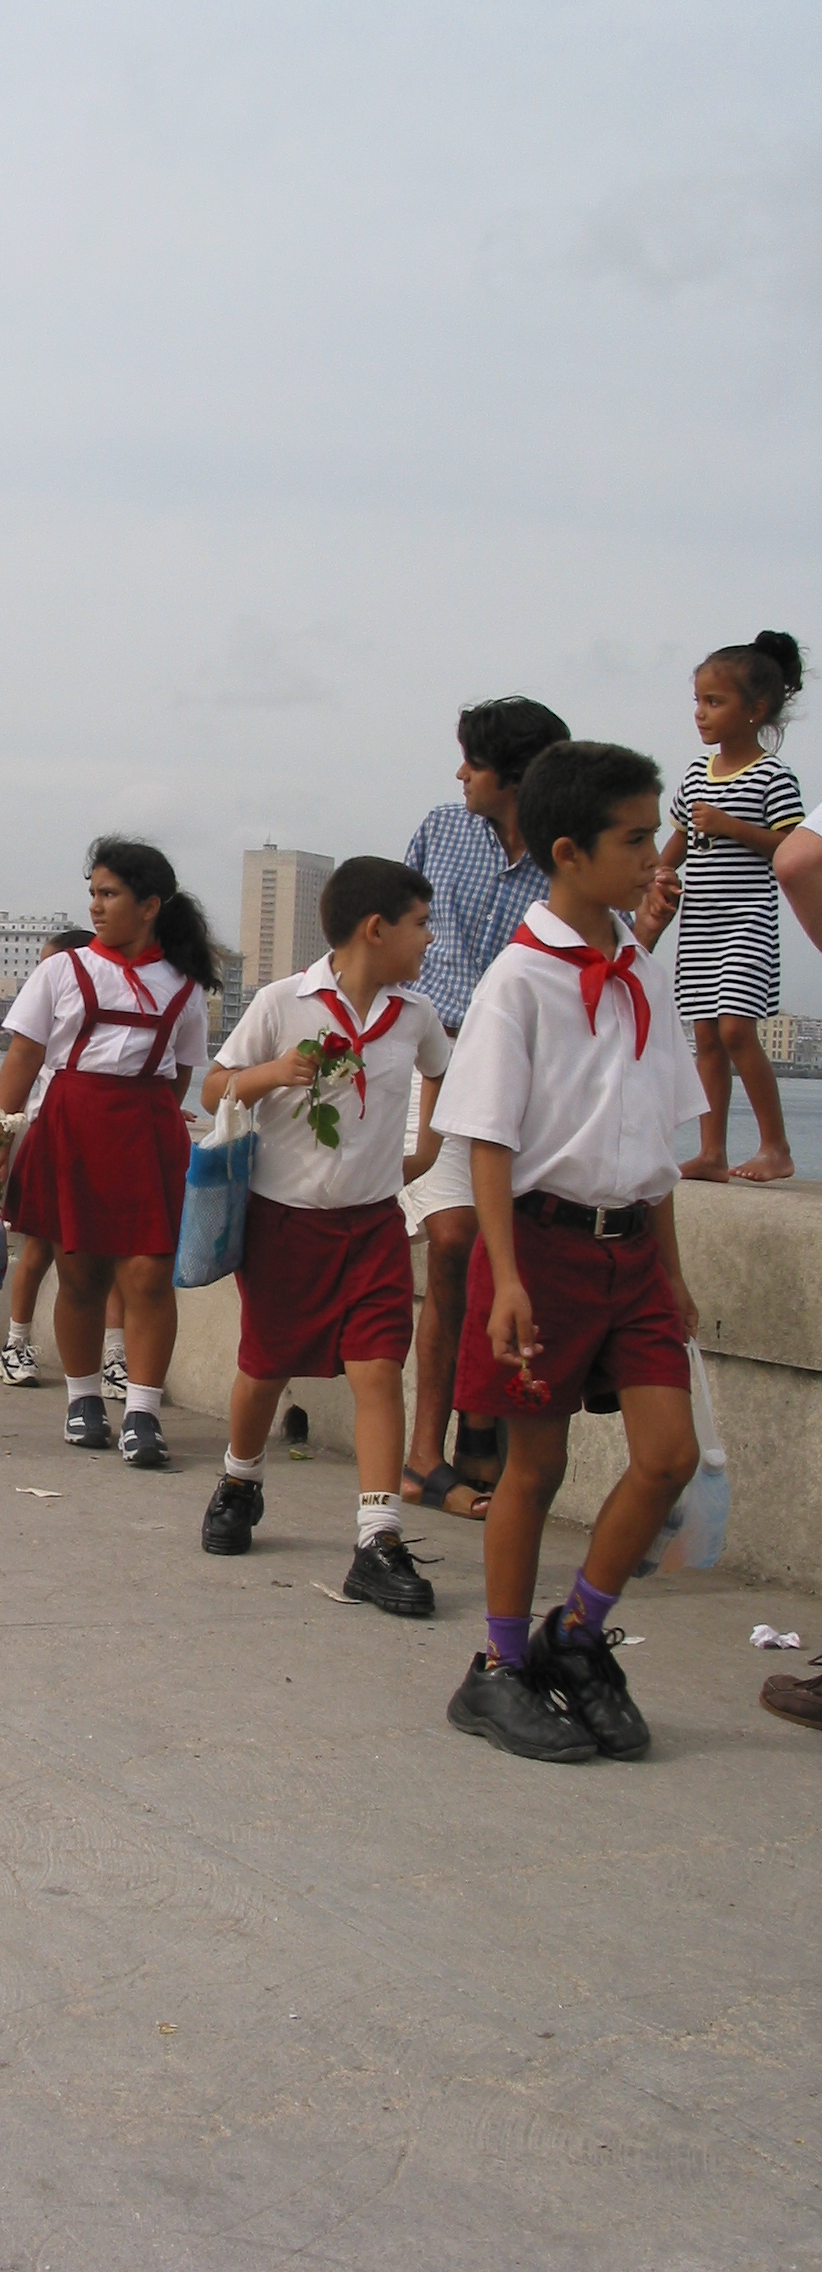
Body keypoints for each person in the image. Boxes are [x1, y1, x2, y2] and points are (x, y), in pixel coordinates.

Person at [435, 741, 705, 1764]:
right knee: (533, 1469)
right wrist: (503, 1280)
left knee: (668, 1455)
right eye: (636, 839)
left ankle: (579, 1634)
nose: (652, 856)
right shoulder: (520, 980)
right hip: (542, 1250)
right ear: (568, 850)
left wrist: (672, 1271)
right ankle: (500, 1667)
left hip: (632, 1250)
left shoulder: (639, 968)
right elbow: (490, 1144)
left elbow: (659, 1136)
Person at [199, 858, 451, 1607]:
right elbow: (216, 1086)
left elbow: (442, 1069)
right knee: (265, 1368)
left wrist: (426, 1148)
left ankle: (378, 1538)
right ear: (378, 929)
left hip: (373, 1222)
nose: (429, 939)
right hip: (284, 1223)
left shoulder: (416, 1017)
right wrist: (273, 1072)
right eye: (420, 924)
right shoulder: (283, 1002)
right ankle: (240, 1479)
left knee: (378, 1368)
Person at [0, 837, 214, 1468]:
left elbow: (182, 1072)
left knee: (149, 1274)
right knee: (79, 1273)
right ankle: (83, 1399)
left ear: (150, 905)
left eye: (109, 894)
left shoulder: (185, 985)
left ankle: (141, 1410)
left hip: (147, 1130)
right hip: (71, 1127)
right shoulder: (62, 970)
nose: (97, 906)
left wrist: (149, 1112)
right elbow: (23, 1056)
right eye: (94, 894)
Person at [398, 696, 573, 1522]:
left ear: (510, 776)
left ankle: (482, 1423)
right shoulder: (440, 829)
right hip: (435, 1064)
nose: (460, 774)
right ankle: (424, 1453)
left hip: (524, 1080)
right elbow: (400, 941)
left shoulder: (568, 857)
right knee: (452, 1237)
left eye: (472, 761)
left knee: (513, 1258)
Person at [662, 631, 806, 1184]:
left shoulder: (774, 776)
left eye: (714, 702)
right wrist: (654, 879)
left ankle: (776, 1146)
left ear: (756, 710)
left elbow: (793, 848)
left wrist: (732, 828)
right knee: (703, 1037)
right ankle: (712, 1150)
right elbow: (672, 850)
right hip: (700, 923)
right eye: (698, 701)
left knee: (736, 1030)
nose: (701, 713)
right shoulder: (697, 773)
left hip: (747, 919)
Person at [0, 928, 129, 1398]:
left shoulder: (90, 1022)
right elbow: (18, 1071)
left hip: (97, 1143)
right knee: (37, 1253)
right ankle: (16, 1343)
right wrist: (0, 1140)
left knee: (106, 1258)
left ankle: (115, 1355)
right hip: (49, 1139)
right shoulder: (45, 1031)